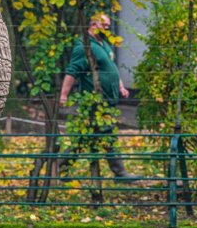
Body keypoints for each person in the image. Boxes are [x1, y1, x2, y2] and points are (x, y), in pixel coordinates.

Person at [58, 13, 140, 181]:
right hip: (95, 101)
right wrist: (63, 95)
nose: (108, 28)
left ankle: (60, 168)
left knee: (85, 136)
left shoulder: (103, 43)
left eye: (109, 25)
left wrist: (121, 86)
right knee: (106, 133)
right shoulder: (84, 47)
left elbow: (110, 66)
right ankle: (120, 173)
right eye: (105, 25)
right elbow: (72, 71)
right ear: (93, 25)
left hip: (108, 101)